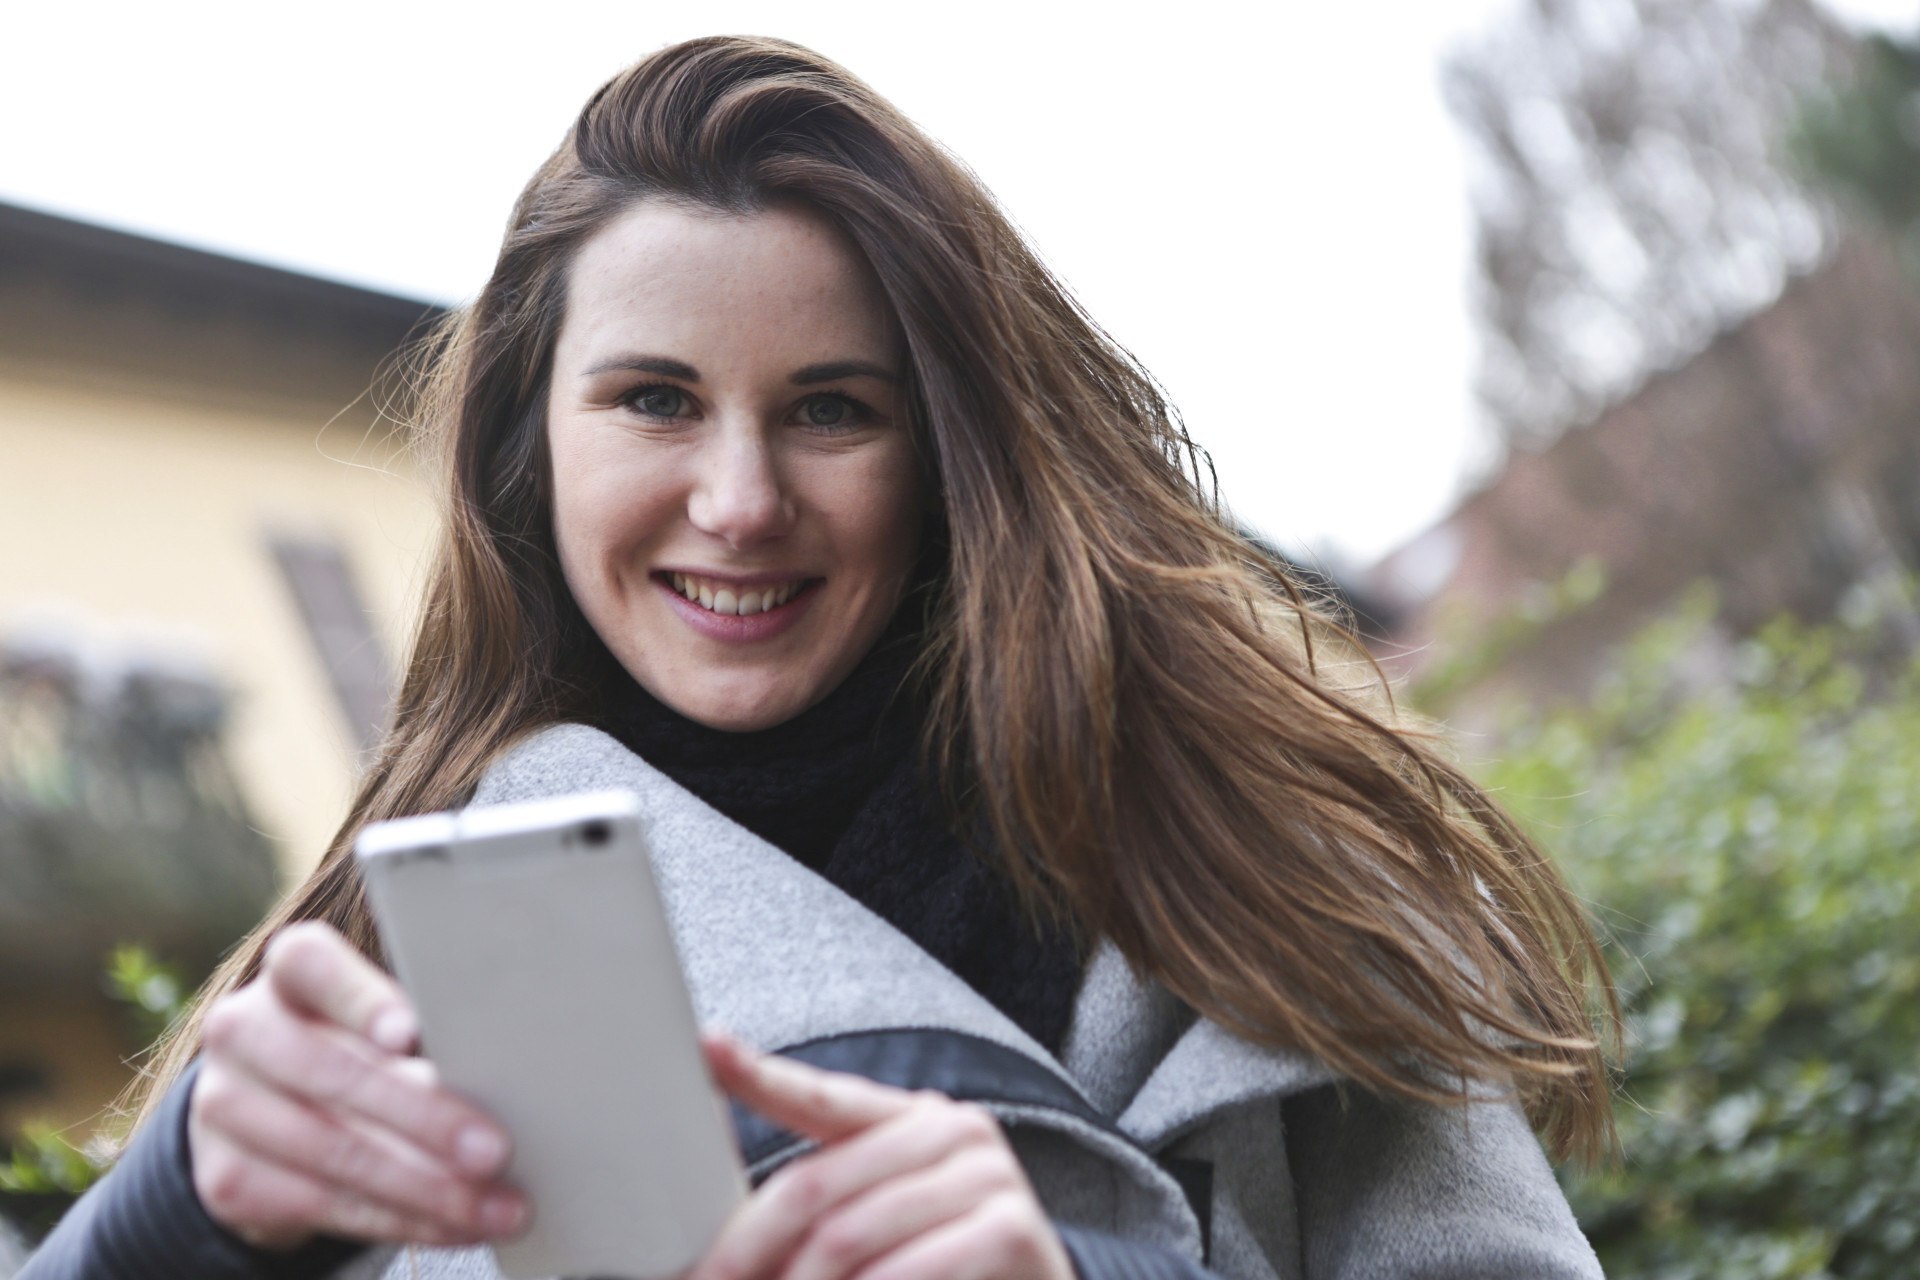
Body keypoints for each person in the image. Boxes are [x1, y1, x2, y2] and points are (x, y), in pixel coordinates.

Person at [21, 35, 1616, 1280]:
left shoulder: (1238, 851)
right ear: (534, 448)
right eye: (654, 399)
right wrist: (170, 1223)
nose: (740, 503)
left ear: (949, 451)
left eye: (831, 409)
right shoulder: (392, 959)